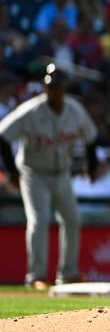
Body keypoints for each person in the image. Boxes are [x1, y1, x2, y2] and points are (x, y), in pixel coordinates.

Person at [0, 64, 98, 289]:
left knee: (73, 218)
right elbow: (3, 136)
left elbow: (91, 137)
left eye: (57, 86)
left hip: (61, 172)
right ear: (44, 88)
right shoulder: (31, 111)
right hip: (33, 171)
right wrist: (12, 172)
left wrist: (91, 166)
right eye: (49, 86)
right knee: (39, 219)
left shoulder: (75, 110)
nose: (53, 90)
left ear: (64, 88)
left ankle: (68, 273)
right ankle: (36, 276)